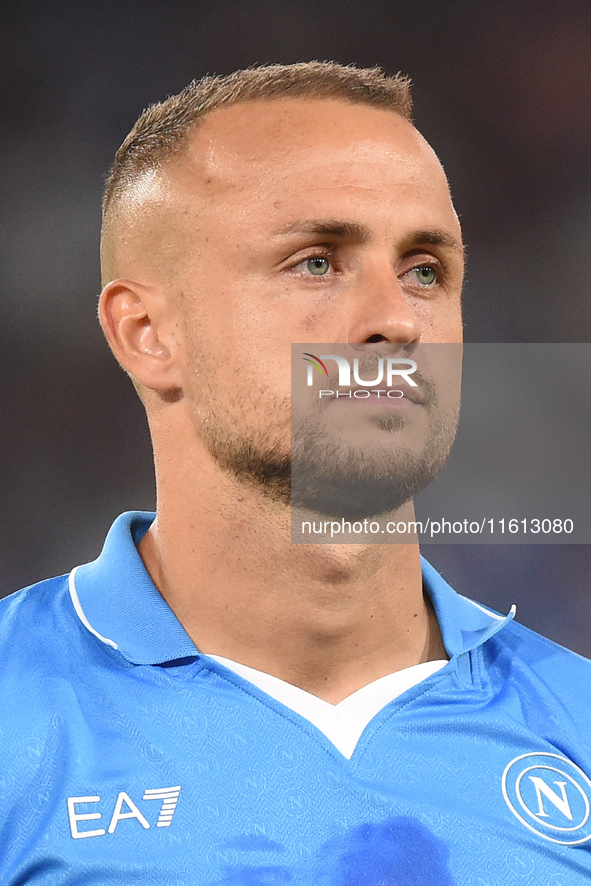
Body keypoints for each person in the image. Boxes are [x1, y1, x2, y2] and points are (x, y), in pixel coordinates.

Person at [1, 62, 590, 885]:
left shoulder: (574, 721)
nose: (394, 319)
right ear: (145, 332)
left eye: (424, 269)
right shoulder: (16, 717)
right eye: (317, 261)